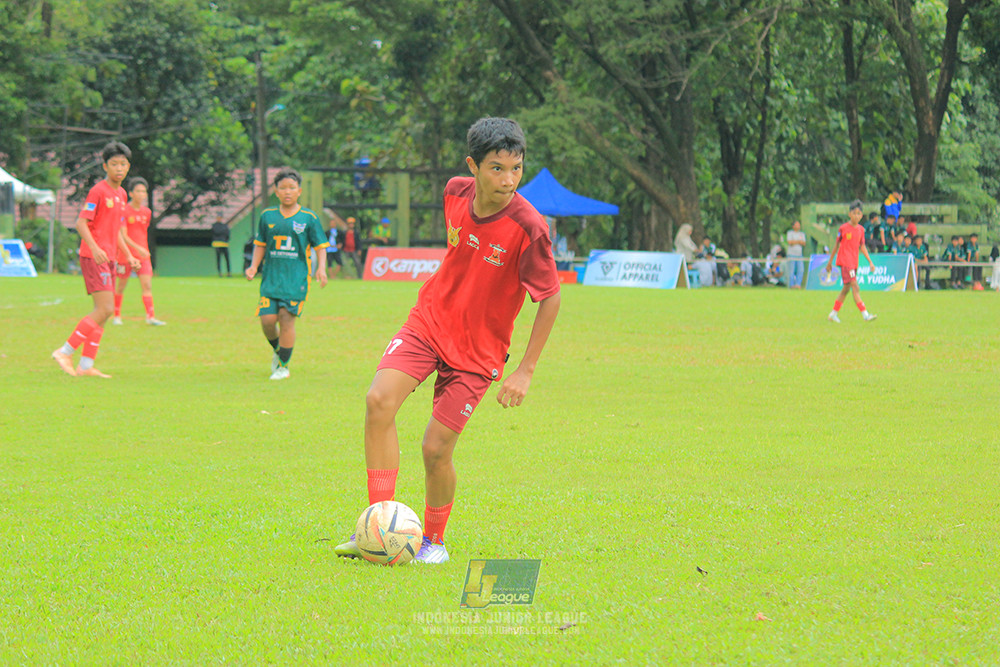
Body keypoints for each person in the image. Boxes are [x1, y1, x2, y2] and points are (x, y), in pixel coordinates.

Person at [334, 117, 561, 564]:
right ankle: (378, 526)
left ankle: (433, 542)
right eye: (497, 168)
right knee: (378, 401)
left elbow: (549, 298)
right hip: (429, 323)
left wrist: (526, 371)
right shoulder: (454, 191)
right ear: (472, 166)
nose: (508, 179)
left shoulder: (529, 227)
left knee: (435, 449)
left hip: (479, 352)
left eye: (516, 168)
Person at [51, 140, 141, 378]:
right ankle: (64, 351)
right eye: (114, 164)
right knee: (105, 308)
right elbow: (81, 223)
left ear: (129, 166)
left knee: (104, 311)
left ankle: (86, 366)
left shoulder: (122, 194)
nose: (119, 169)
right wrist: (95, 247)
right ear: (105, 166)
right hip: (94, 257)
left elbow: (117, 231)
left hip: (110, 257)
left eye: (123, 164)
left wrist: (129, 255)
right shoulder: (98, 191)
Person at [244, 167, 328, 380]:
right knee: (267, 321)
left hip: (296, 279)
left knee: (286, 319)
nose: (287, 191)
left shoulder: (309, 218)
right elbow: (260, 244)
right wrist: (254, 266)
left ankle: (283, 366)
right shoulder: (267, 216)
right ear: (276, 191)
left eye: (292, 187)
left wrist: (321, 268)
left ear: (299, 191)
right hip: (271, 279)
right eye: (283, 188)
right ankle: (279, 350)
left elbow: (320, 246)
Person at [112, 177, 165, 326]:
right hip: (125, 255)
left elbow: (142, 233)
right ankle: (117, 316)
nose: (142, 194)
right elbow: (123, 235)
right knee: (121, 286)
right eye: (138, 191)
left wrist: (143, 249)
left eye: (144, 191)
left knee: (147, 286)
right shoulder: (124, 211)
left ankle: (150, 317)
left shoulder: (147, 212)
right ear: (131, 193)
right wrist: (137, 248)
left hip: (143, 256)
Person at [824, 199, 877, 323]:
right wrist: (830, 262)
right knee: (855, 286)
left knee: (846, 289)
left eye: (859, 213)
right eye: (854, 213)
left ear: (862, 215)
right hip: (846, 262)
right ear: (849, 214)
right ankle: (865, 315)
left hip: (854, 263)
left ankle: (833, 314)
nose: (856, 216)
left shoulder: (861, 230)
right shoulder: (843, 228)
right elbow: (836, 245)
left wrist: (870, 261)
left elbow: (862, 246)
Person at [786, 220, 806, 288]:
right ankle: (791, 285)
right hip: (791, 254)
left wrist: (796, 242)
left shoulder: (802, 234)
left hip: (799, 255)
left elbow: (803, 243)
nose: (798, 226)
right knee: (791, 270)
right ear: (793, 226)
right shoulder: (790, 233)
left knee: (801, 269)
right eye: (797, 224)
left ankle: (798, 284)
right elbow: (790, 242)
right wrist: (798, 241)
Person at [325, 214, 344, 280]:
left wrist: (340, 245)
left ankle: (334, 275)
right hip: (329, 249)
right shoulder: (327, 232)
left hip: (336, 249)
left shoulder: (339, 232)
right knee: (329, 263)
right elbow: (324, 240)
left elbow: (343, 240)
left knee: (339, 262)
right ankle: (331, 275)